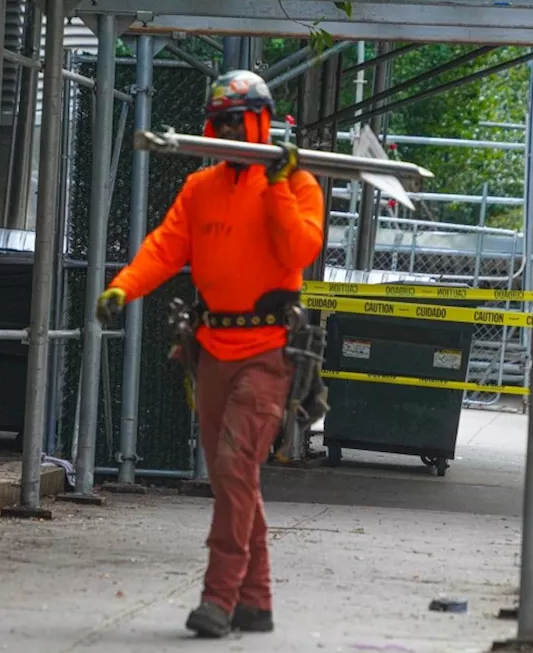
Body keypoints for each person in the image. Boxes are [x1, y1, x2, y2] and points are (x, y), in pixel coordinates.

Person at [96, 70, 324, 639]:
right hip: (212, 348)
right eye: (219, 121)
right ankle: (258, 602)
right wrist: (124, 286)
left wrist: (276, 186)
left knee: (232, 468)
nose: (226, 130)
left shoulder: (300, 186)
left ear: (261, 121)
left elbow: (300, 247)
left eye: (236, 120)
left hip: (271, 350)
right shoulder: (201, 188)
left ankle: (219, 599)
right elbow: (165, 246)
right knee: (234, 479)